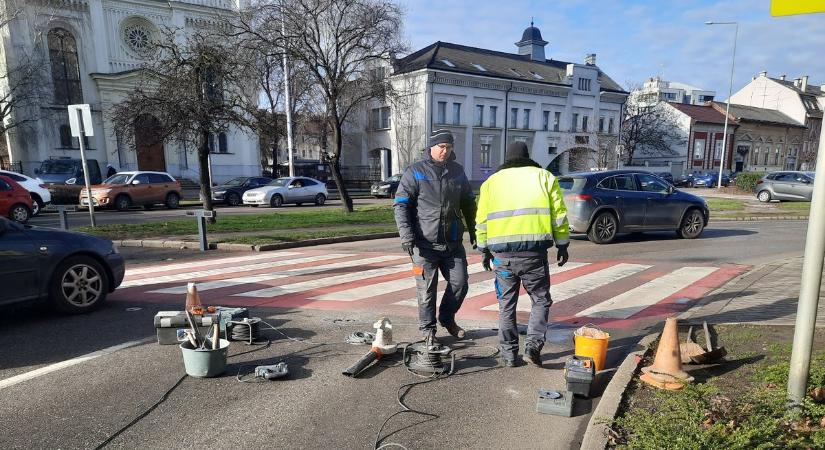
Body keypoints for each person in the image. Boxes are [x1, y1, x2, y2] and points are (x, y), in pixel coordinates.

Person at [475, 142, 570, 367]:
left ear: (507, 159)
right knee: (540, 300)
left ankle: (509, 354)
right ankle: (533, 347)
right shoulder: (545, 177)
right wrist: (563, 244)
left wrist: (483, 250)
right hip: (534, 254)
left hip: (502, 255)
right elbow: (559, 215)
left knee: (506, 304)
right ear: (527, 157)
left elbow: (481, 220)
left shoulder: (491, 182)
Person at [394, 129, 477, 342]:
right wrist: (406, 235)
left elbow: (468, 203)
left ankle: (447, 318)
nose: (445, 151)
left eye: (448, 147)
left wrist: (474, 231)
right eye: (441, 147)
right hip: (423, 244)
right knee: (426, 291)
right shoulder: (415, 172)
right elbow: (401, 205)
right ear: (431, 147)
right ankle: (428, 331)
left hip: (452, 243)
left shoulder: (458, 171)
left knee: (460, 284)